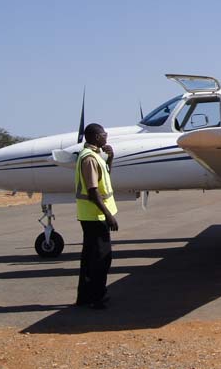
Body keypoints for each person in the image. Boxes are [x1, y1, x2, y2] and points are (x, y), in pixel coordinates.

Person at [76, 123, 118, 309]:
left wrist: (110, 159)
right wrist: (108, 215)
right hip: (95, 216)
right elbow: (93, 191)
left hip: (91, 215)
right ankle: (97, 297)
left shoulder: (95, 156)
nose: (106, 136)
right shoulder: (90, 159)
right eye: (104, 134)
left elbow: (104, 179)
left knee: (89, 258)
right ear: (95, 137)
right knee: (101, 258)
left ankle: (85, 297)